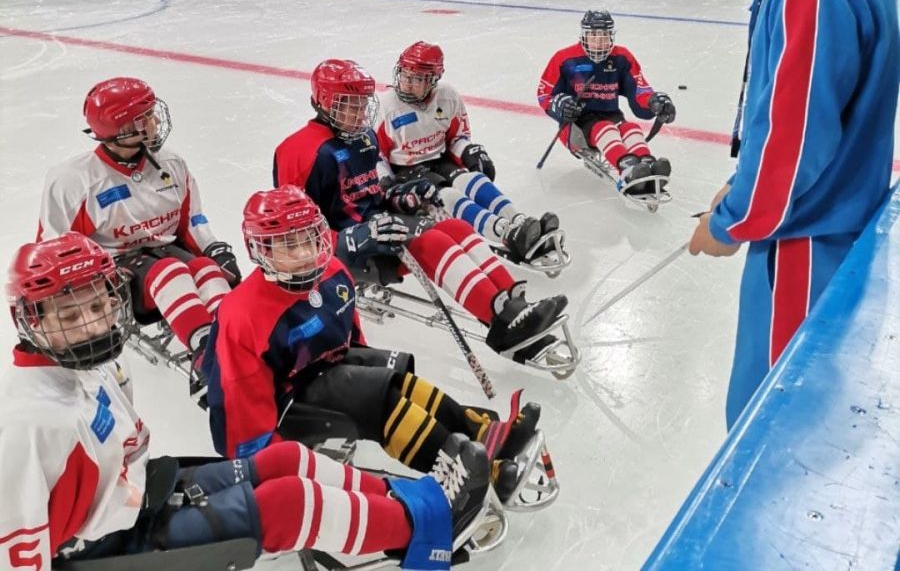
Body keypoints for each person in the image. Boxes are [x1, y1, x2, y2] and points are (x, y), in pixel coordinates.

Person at [0, 232, 490, 571]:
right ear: (31, 320)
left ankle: (402, 499)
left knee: (286, 459)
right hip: (105, 544)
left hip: (138, 495)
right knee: (287, 503)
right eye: (71, 312)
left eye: (100, 303)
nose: (97, 322)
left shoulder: (83, 366)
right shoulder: (29, 424)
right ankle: (425, 526)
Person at [688, 0, 900, 428]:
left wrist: (729, 221)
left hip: (803, 248)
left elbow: (797, 140)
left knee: (771, 433)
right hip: (831, 231)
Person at [204, 185, 542, 503]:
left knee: (399, 381)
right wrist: (272, 463)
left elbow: (352, 342)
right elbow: (240, 421)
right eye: (289, 245)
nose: (307, 253)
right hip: (284, 410)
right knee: (376, 399)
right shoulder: (240, 318)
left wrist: (372, 367)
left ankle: (482, 432)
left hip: (328, 374)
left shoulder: (333, 271)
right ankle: (464, 470)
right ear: (261, 250)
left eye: (309, 238)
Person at [273, 58, 569, 363]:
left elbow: (377, 194)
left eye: (363, 102)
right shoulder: (298, 151)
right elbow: (293, 236)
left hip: (383, 228)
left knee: (456, 228)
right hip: (347, 251)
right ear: (324, 102)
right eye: (349, 104)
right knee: (433, 243)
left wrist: (405, 196)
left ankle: (515, 308)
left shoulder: (364, 137)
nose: (360, 112)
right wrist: (352, 239)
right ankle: (501, 323)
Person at [37, 77, 241, 396]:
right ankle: (206, 352)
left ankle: (239, 339)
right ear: (121, 129)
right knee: (170, 272)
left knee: (205, 268)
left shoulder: (171, 164)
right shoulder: (73, 181)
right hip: (112, 273)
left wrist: (212, 247)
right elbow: (53, 248)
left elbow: (192, 219)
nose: (156, 121)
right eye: (144, 117)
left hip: (165, 252)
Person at [376, 41, 563, 265]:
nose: (407, 83)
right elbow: (375, 154)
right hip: (406, 172)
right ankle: (504, 233)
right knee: (448, 196)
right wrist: (386, 182)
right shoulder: (386, 107)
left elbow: (457, 137)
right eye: (405, 75)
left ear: (433, 79)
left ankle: (520, 222)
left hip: (440, 160)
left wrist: (468, 152)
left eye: (416, 79)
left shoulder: (447, 96)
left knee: (473, 179)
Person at [537, 10, 676, 195]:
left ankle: (646, 164)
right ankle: (628, 171)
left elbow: (639, 90)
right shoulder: (565, 59)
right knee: (606, 129)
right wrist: (560, 105)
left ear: (611, 35)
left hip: (611, 116)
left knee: (630, 128)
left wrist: (653, 102)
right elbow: (545, 94)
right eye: (593, 34)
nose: (599, 40)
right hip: (576, 126)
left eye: (604, 34)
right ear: (584, 34)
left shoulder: (622, 57)